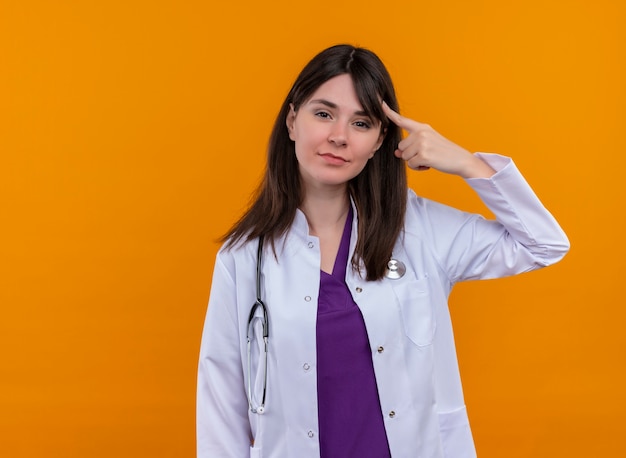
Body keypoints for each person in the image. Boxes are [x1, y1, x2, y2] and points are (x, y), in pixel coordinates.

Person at [196, 44, 569, 458]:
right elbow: (222, 408)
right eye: (323, 114)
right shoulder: (245, 258)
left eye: (361, 122)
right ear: (292, 121)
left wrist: (467, 163)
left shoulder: (419, 230)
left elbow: (544, 243)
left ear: (378, 143)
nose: (338, 136)